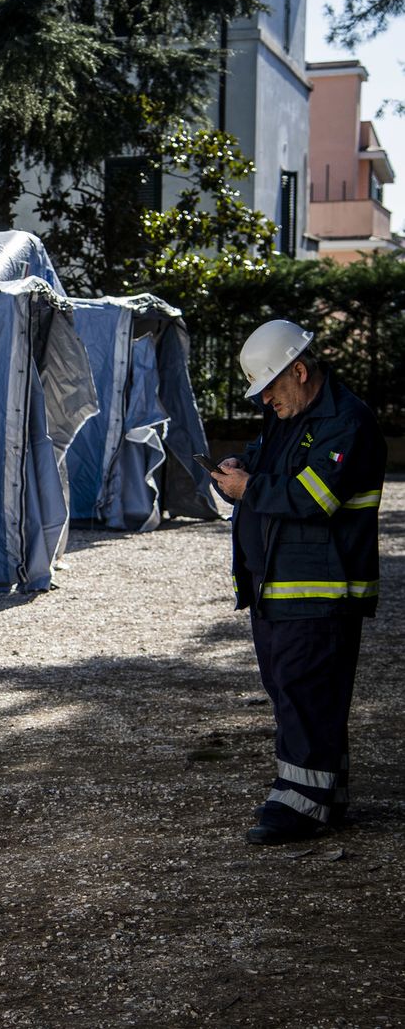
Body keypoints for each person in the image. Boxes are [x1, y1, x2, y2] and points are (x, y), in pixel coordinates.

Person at [209, 319, 384, 846]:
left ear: (300, 371)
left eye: (268, 386)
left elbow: (314, 497)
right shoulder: (293, 416)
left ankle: (300, 807)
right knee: (296, 693)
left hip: (320, 592)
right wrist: (239, 468)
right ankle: (322, 794)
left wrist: (248, 487)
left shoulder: (346, 422)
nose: (263, 399)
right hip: (282, 589)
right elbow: (267, 468)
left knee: (306, 693)